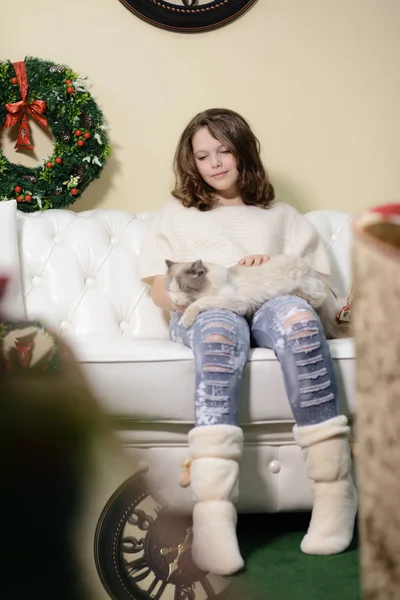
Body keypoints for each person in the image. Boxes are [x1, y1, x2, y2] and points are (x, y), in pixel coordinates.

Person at [139, 108, 357, 576]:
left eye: (224, 150)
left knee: (299, 321)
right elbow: (160, 288)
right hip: (207, 308)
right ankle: (213, 510)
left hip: (272, 298)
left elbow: (314, 285)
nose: (215, 163)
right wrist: (212, 283)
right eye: (202, 155)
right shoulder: (176, 214)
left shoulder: (282, 216)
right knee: (218, 327)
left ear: (243, 152)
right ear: (191, 163)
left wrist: (269, 264)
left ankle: (336, 492)